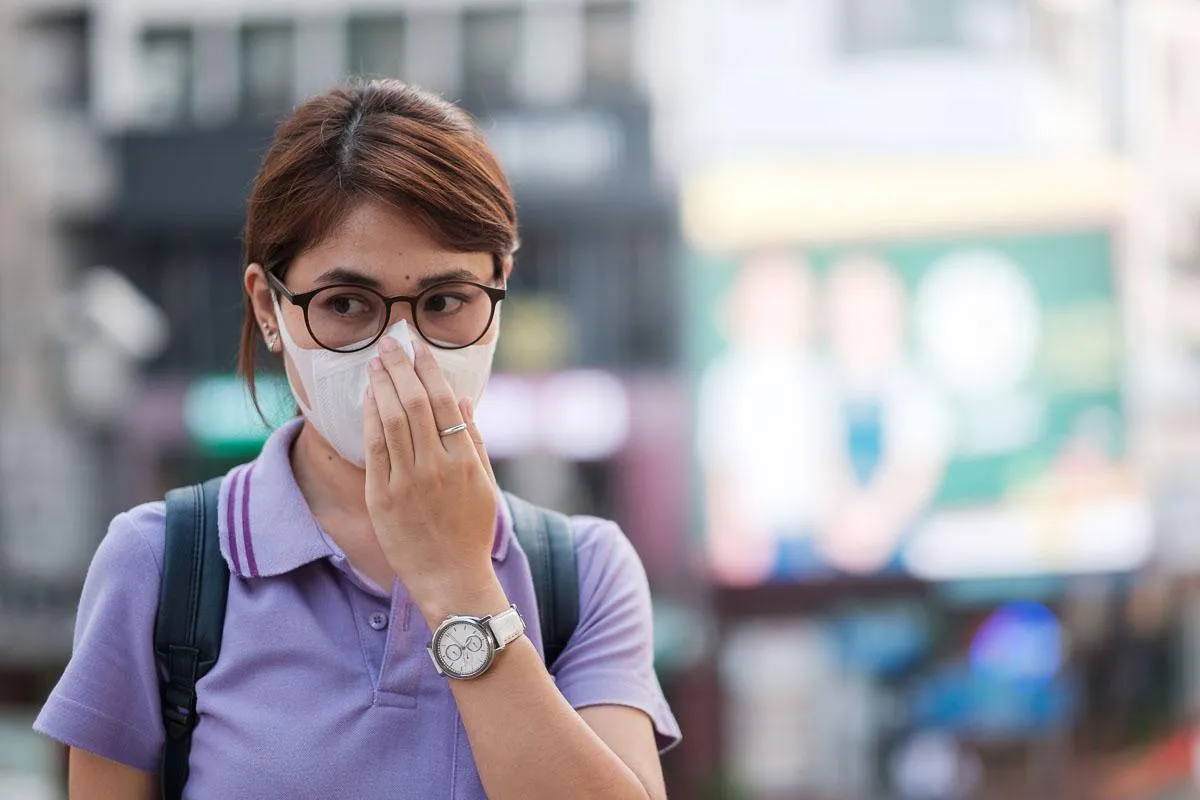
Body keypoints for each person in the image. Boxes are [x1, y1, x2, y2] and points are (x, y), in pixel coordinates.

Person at [33, 80, 679, 799]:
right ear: (269, 308)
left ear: (499, 291)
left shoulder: (583, 572)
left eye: (445, 301)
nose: (401, 349)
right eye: (345, 304)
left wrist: (458, 584)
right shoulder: (161, 567)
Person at [815, 254, 952, 575]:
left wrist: (875, 527)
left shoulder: (920, 389)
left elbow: (916, 471)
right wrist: (841, 523)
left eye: (873, 309)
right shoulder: (811, 385)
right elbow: (814, 463)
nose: (861, 320)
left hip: (905, 556)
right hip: (820, 554)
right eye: (850, 308)